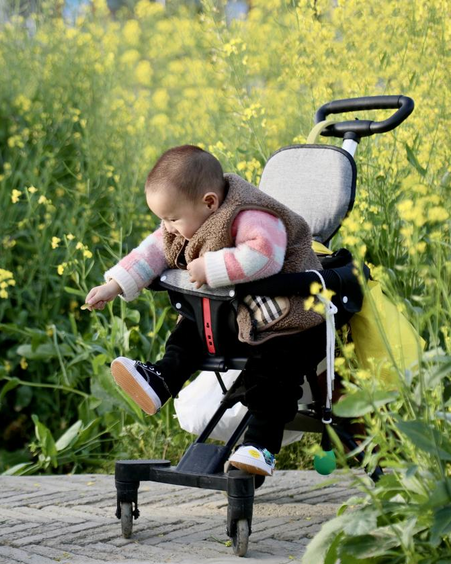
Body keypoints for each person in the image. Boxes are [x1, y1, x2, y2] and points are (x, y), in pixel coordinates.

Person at [85, 145, 326, 476]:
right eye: (162, 219)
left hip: (288, 319)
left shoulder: (251, 214)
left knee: (272, 376)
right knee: (188, 331)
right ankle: (161, 379)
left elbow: (264, 255)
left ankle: (259, 448)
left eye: (172, 219)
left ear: (210, 203)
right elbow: (154, 250)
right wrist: (115, 285)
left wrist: (211, 268)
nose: (167, 227)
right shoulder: (189, 218)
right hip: (239, 313)